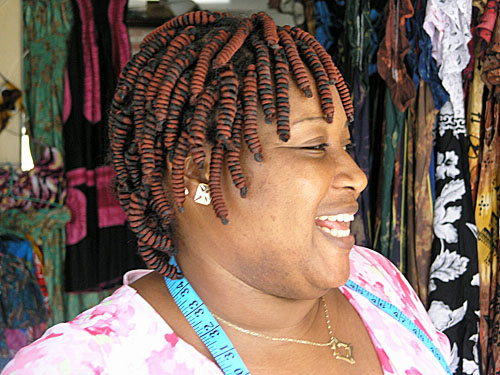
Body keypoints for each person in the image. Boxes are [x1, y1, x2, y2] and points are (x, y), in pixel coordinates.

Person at [2, 10, 451, 375]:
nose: (357, 174)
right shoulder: (86, 365)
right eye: (315, 146)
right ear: (199, 172)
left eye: (345, 145)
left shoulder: (375, 280)